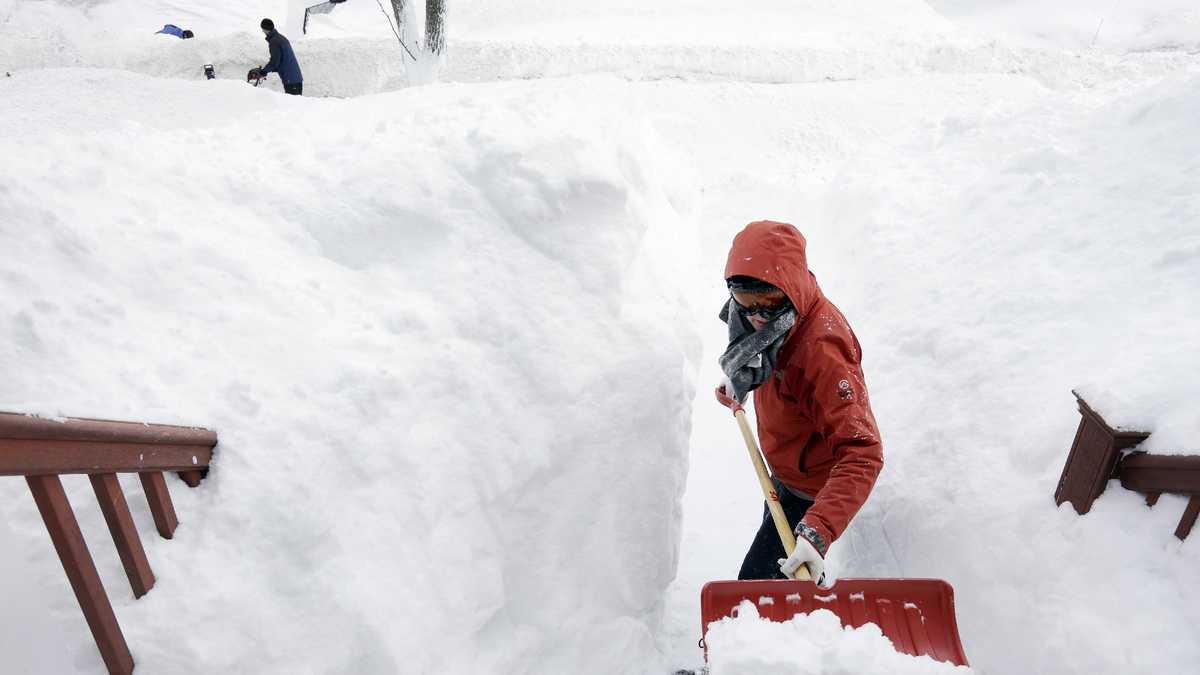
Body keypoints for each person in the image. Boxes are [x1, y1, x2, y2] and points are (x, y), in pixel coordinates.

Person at [715, 220, 883, 585]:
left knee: (755, 592)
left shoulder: (822, 350)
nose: (758, 315)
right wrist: (740, 379)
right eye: (746, 302)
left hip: (811, 489)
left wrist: (817, 531)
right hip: (785, 474)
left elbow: (863, 452)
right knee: (779, 580)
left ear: (788, 288)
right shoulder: (774, 320)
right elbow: (761, 355)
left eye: (768, 303)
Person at [258, 18, 304, 95]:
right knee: (296, 103)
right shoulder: (281, 38)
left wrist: (264, 71)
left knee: (293, 104)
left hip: (291, 80)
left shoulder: (274, 42)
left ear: (265, 30)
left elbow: (275, 61)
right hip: (295, 77)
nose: (262, 31)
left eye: (262, 29)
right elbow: (282, 60)